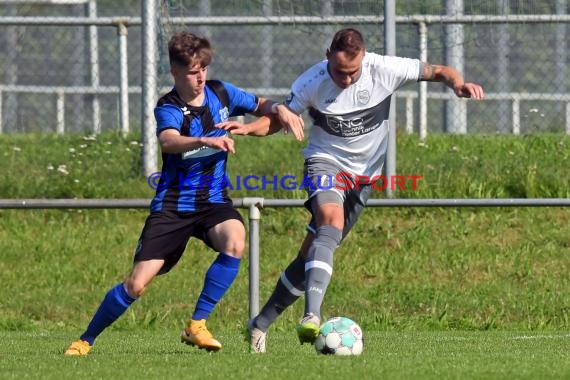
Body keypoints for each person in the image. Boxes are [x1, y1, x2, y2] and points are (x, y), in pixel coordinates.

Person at [218, 28, 484, 353]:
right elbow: (279, 119)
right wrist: (249, 128)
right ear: (328, 54)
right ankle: (312, 316)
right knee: (331, 221)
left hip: (365, 178)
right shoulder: (312, 81)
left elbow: (438, 71)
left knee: (311, 257)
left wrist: (458, 84)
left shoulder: (384, 69)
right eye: (340, 72)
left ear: (363, 59)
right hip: (325, 163)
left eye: (353, 72)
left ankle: (259, 325)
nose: (346, 79)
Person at [64, 31, 303, 356]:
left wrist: (279, 110)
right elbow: (168, 140)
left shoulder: (220, 92)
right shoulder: (169, 106)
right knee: (136, 284)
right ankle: (85, 340)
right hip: (173, 205)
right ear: (176, 72)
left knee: (235, 239)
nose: (200, 76)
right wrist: (206, 140)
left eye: (203, 67)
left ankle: (197, 325)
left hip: (213, 202)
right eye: (193, 71)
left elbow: (263, 107)